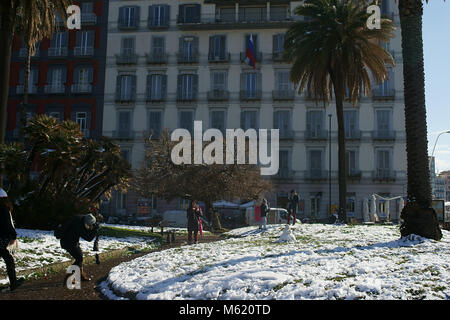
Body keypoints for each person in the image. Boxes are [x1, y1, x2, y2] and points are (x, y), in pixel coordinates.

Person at [58, 213, 99, 282]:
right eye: (91, 225)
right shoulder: (79, 226)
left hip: (70, 241)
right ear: (87, 223)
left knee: (79, 256)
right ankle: (70, 276)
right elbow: (88, 238)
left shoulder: (80, 219)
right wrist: (95, 230)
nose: (91, 227)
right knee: (79, 258)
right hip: (68, 243)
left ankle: (80, 275)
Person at [0, 189, 24, 291]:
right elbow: (8, 224)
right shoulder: (4, 209)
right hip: (1, 238)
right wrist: (13, 236)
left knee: (8, 259)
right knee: (9, 260)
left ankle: (13, 282)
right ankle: (13, 283)